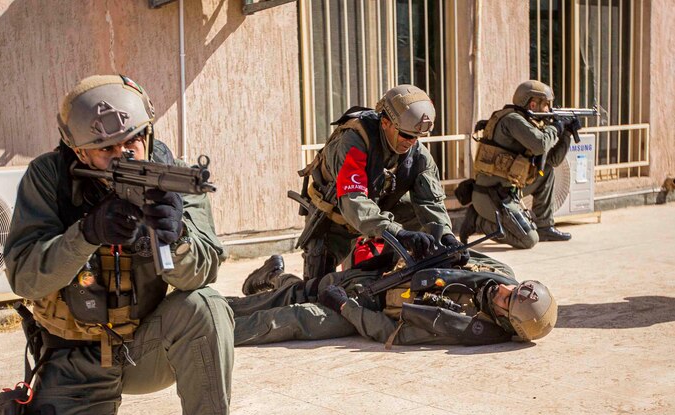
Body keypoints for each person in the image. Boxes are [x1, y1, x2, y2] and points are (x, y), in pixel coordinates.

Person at [2, 75, 255, 415]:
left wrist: (173, 238)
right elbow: (23, 277)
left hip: (146, 345)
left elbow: (205, 269)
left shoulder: (168, 174)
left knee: (208, 307)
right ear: (79, 151)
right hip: (77, 357)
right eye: (108, 149)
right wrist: (86, 234)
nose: (125, 154)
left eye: (135, 140)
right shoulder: (48, 179)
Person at [281, 84, 461, 288]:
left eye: (417, 137)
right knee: (315, 291)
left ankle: (387, 266)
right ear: (385, 122)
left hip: (379, 212)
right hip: (335, 219)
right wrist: (398, 233)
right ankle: (273, 275)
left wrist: (446, 236)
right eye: (406, 135)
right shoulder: (354, 142)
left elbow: (431, 202)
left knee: (417, 219)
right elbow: (354, 201)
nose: (412, 142)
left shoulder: (417, 154)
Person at [229, 249, 556, 347]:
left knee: (286, 318)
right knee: (300, 291)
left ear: (505, 320)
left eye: (508, 300)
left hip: (363, 309)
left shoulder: (465, 324)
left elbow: (389, 332)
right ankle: (270, 278)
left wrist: (345, 306)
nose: (504, 290)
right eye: (514, 287)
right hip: (380, 278)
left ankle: (205, 329)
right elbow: (459, 251)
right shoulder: (499, 273)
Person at [459, 79, 579, 248]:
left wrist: (566, 133)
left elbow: (553, 161)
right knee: (528, 240)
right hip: (492, 196)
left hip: (509, 190)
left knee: (547, 172)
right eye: (545, 105)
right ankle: (478, 221)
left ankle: (544, 225)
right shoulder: (512, 120)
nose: (549, 110)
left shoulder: (528, 123)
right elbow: (540, 145)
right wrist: (556, 128)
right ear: (532, 104)